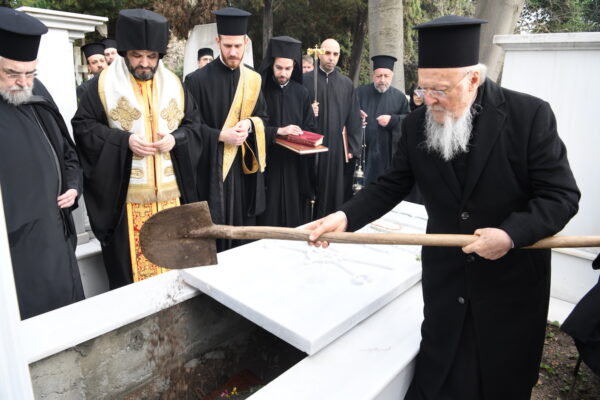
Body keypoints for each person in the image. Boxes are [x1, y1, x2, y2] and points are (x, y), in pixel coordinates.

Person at [307, 15, 580, 400]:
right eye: (423, 88)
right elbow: (391, 184)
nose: (428, 99)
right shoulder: (416, 124)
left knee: (499, 383)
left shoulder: (529, 116)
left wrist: (510, 234)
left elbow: (561, 196)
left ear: (473, 79)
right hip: (447, 282)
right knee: (438, 379)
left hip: (509, 288)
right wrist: (345, 216)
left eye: (440, 90)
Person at [72, 9, 202, 288]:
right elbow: (83, 128)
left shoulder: (175, 85)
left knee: (175, 275)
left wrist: (176, 139)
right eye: (137, 55)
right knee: (133, 279)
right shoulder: (102, 86)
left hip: (171, 199)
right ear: (124, 53)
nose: (144, 63)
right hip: (126, 200)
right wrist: (124, 142)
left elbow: (195, 127)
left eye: (151, 56)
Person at [0, 7, 84, 319]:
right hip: (14, 251)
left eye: (30, 73)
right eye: (12, 73)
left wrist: (73, 186)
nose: (23, 83)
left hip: (56, 237)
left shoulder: (38, 91)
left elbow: (68, 152)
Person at [184, 7, 268, 251]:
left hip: (243, 169)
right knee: (215, 230)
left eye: (238, 46)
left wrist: (249, 124)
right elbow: (189, 127)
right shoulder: (196, 80)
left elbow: (263, 116)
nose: (233, 52)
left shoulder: (253, 79)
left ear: (246, 43)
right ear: (218, 41)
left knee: (243, 232)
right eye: (228, 45)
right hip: (211, 168)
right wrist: (220, 135)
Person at [257, 36, 317, 227]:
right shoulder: (260, 91)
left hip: (294, 165)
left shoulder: (302, 93)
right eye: (279, 68)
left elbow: (310, 126)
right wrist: (278, 131)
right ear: (271, 65)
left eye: (288, 69)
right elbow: (253, 126)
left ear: (294, 67)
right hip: (268, 163)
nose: (283, 73)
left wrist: (306, 138)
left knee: (294, 214)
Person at [303, 38, 361, 218]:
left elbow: (353, 117)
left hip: (335, 148)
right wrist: (308, 111)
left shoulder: (346, 84)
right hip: (310, 146)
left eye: (335, 54)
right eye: (327, 53)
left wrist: (353, 147)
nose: (331, 58)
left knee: (333, 191)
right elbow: (295, 112)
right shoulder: (305, 81)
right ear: (319, 54)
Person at [356, 55, 409, 185]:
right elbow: (347, 113)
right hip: (363, 152)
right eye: (379, 76)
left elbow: (408, 120)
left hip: (387, 154)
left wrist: (393, 119)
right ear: (373, 75)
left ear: (392, 76)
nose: (382, 80)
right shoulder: (359, 93)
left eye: (386, 76)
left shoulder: (400, 97)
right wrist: (356, 115)